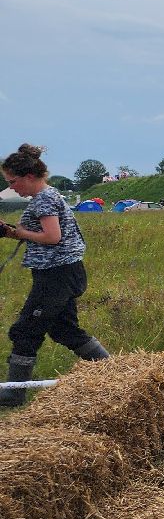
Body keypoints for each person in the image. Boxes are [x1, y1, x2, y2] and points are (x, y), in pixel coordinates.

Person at [0, 144, 109, 407]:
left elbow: (52, 237)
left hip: (56, 275)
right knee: (63, 329)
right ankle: (114, 370)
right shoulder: (48, 196)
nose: (12, 188)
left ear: (28, 176)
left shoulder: (45, 200)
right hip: (62, 272)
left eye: (12, 182)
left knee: (26, 330)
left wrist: (23, 233)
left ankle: (14, 393)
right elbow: (45, 235)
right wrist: (9, 232)